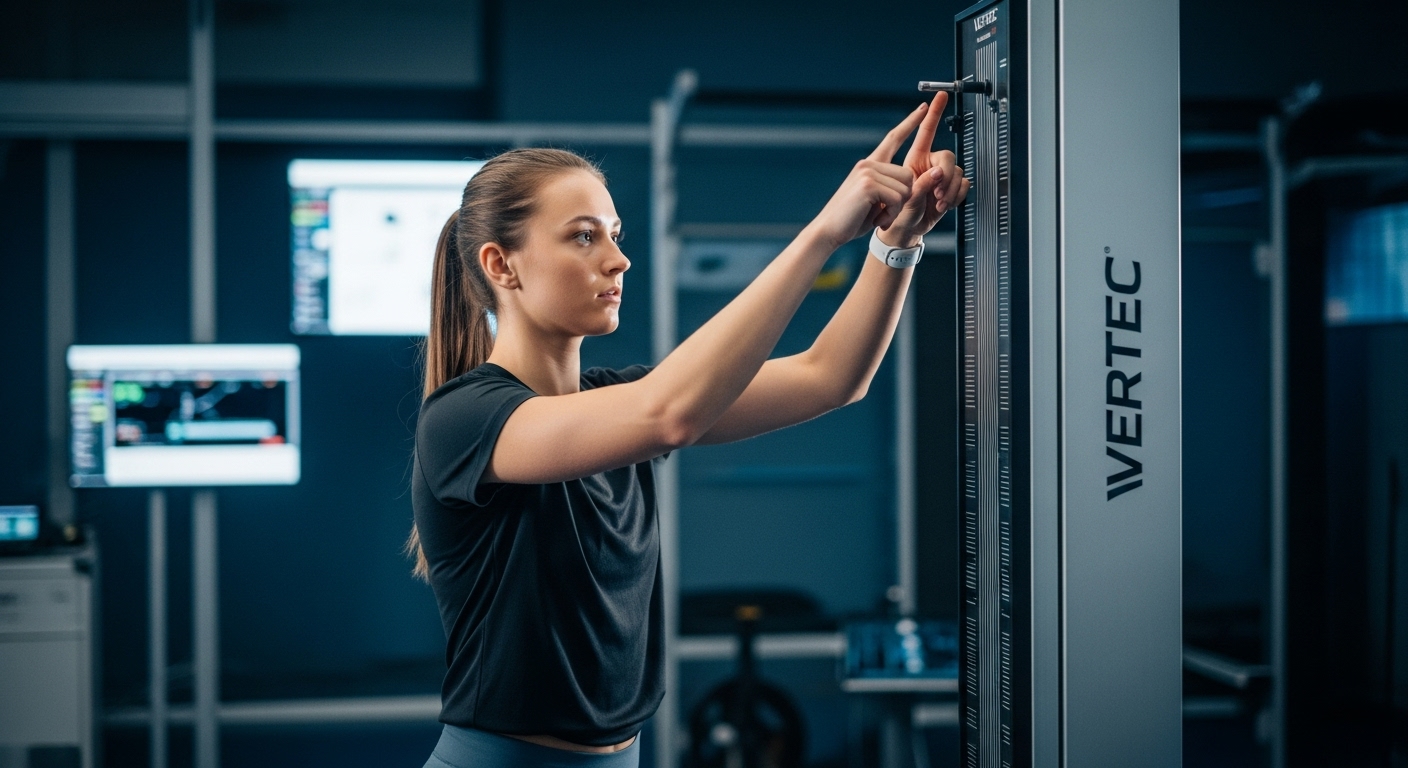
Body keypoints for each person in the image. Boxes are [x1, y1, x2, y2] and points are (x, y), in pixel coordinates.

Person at [410, 92, 968, 768]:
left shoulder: (620, 400)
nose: (618, 259)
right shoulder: (463, 419)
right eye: (584, 236)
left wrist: (896, 241)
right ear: (502, 265)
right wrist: (823, 232)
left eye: (616, 235)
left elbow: (830, 376)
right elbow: (670, 413)